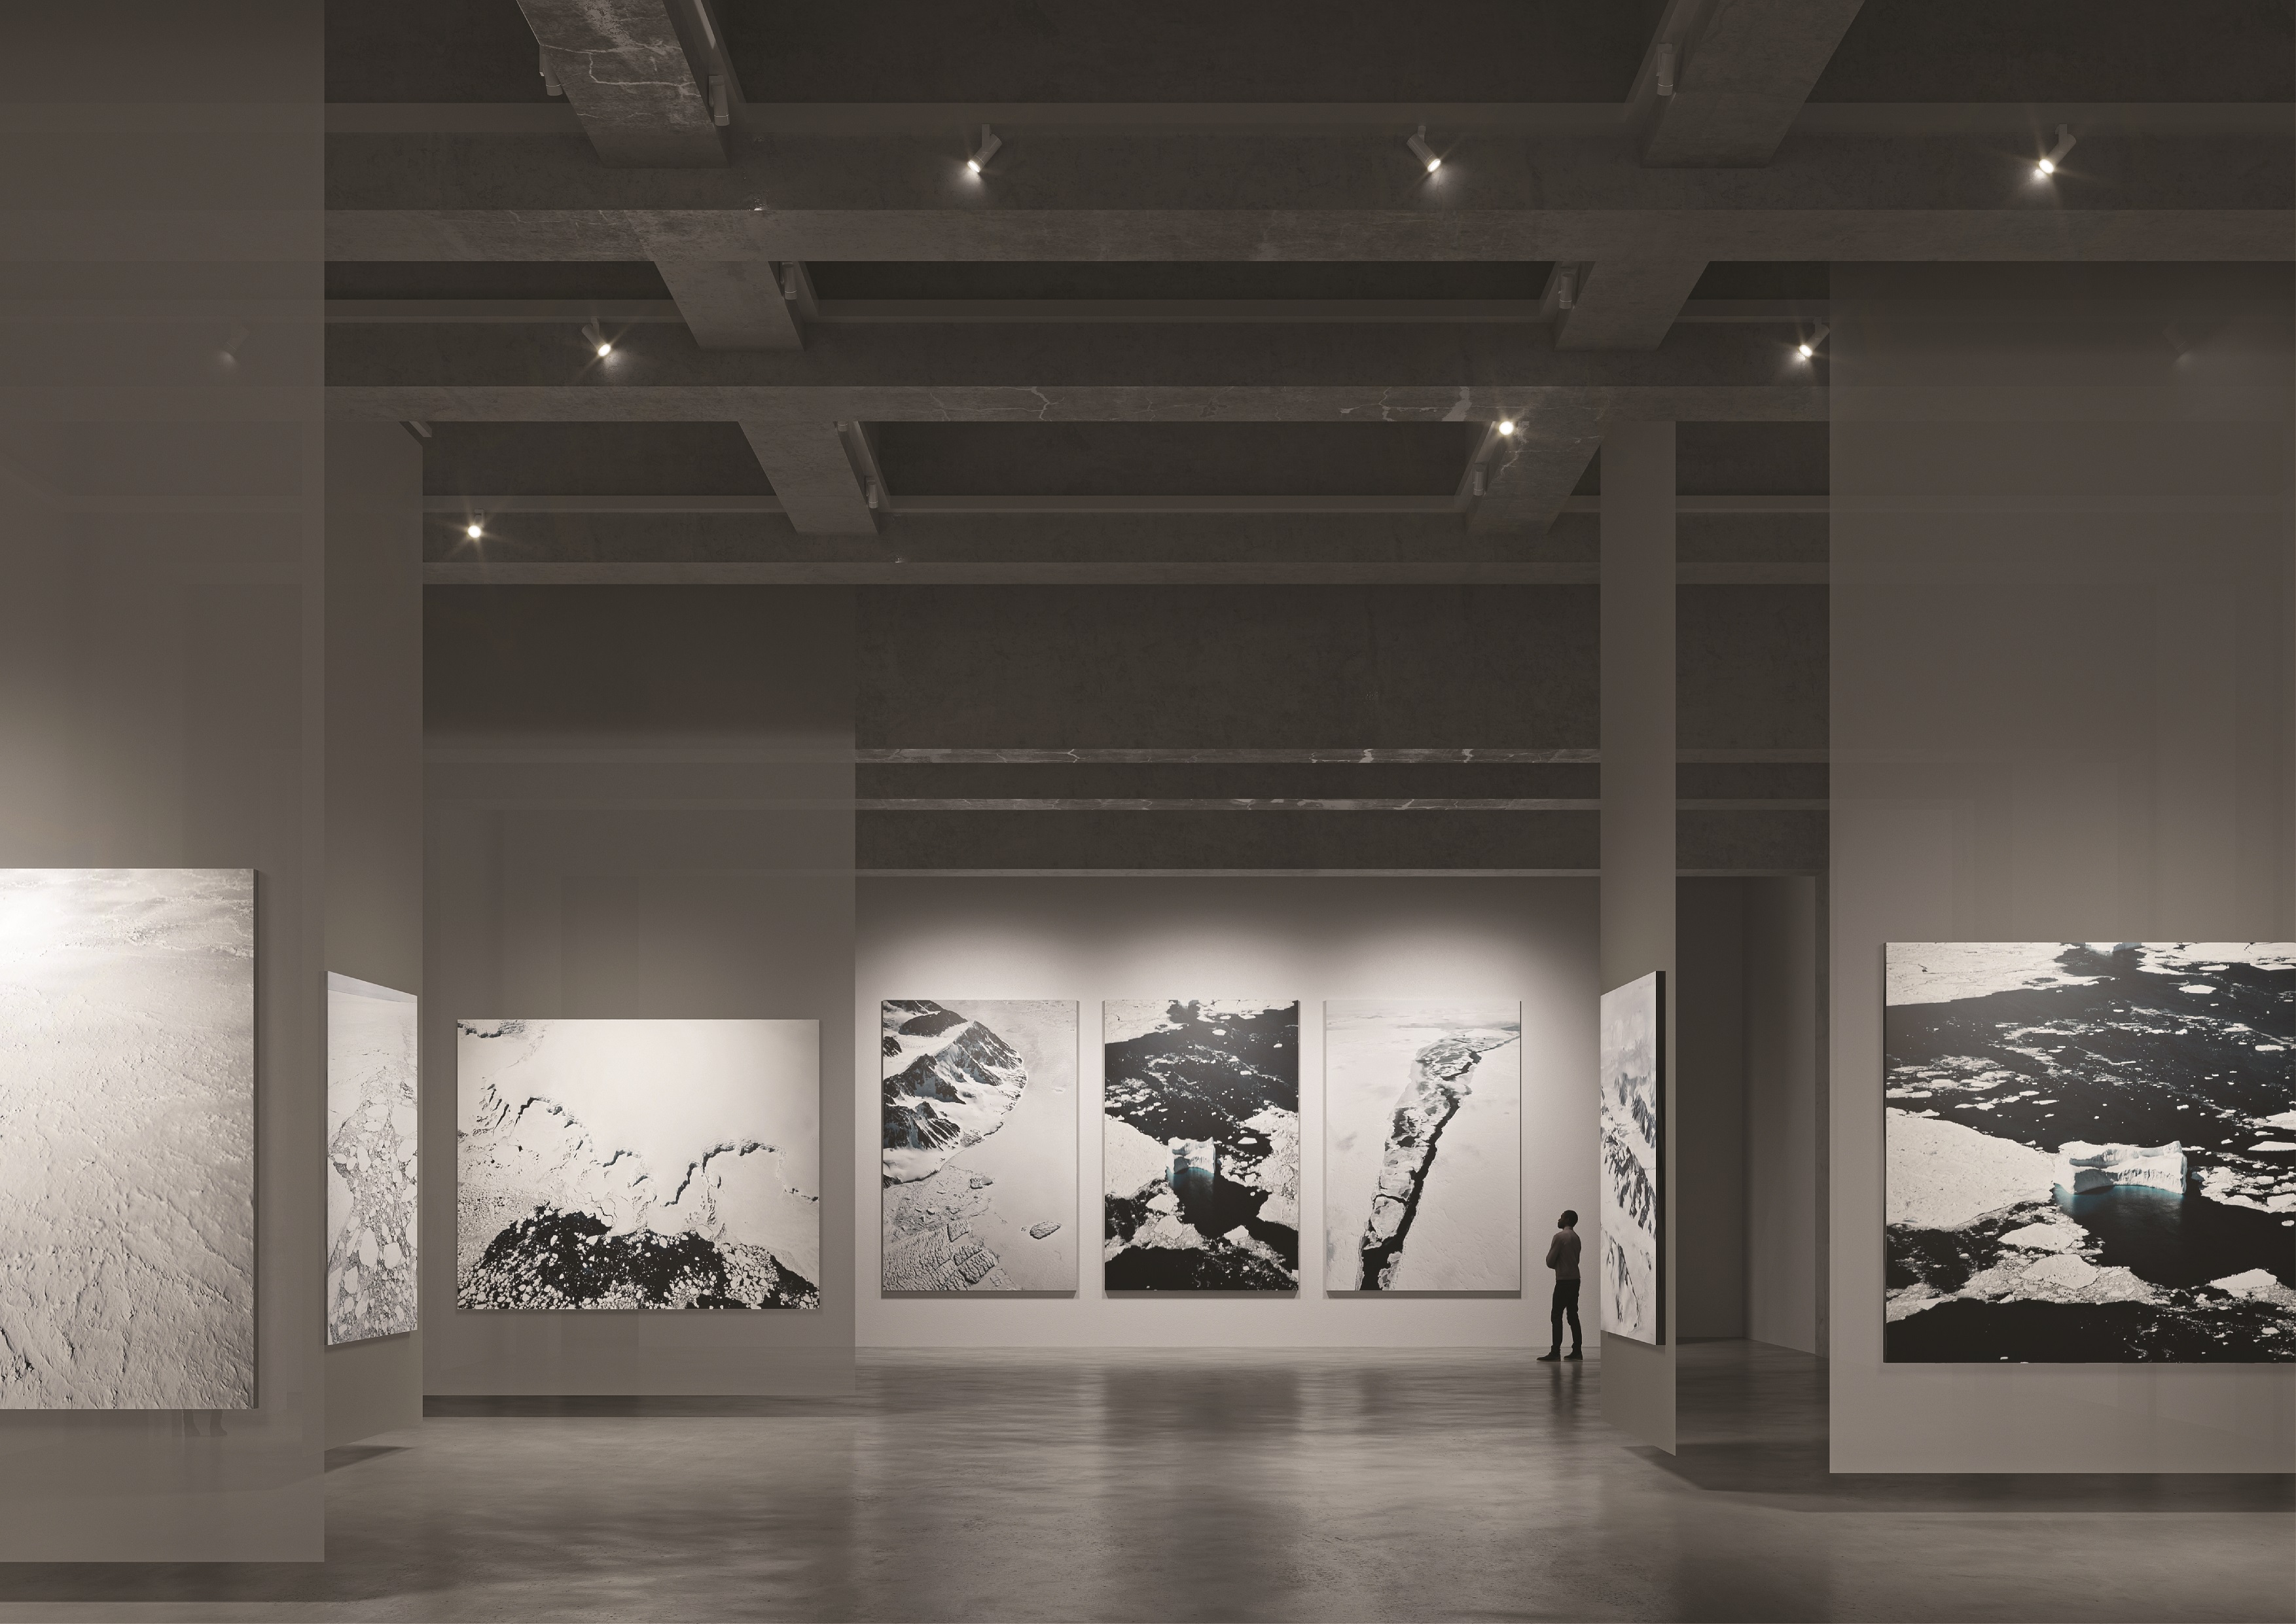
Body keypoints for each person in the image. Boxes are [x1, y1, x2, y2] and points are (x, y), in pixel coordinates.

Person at [1537, 1210, 1582, 1362]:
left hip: (1563, 1281)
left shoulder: (1559, 1237)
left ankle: (1555, 1352)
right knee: (1573, 1316)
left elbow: (1550, 1262)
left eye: (1561, 1217)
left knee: (1556, 1315)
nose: (1559, 1219)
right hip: (1575, 1280)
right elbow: (1577, 1260)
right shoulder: (1576, 1238)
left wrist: (1558, 1262)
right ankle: (1577, 1351)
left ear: (1567, 1219)